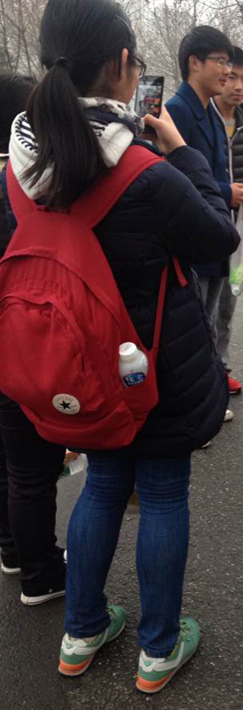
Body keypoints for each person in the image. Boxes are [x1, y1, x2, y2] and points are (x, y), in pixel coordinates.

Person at [3, 0, 239, 692]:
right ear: (124, 65)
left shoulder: (15, 169)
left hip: (72, 372)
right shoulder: (141, 169)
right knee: (162, 491)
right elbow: (217, 240)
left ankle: (80, 632)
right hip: (153, 368)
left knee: (102, 484)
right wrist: (182, 151)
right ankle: (158, 648)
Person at [0, 72, 68, 605]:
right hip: (19, 344)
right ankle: (40, 573)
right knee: (32, 467)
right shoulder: (27, 185)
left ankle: (11, 549)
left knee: (8, 459)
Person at [167, 26, 243, 422]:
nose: (227, 72)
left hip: (216, 234)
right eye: (220, 62)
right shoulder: (175, 112)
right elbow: (172, 176)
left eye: (230, 64)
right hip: (192, 238)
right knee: (191, 327)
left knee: (210, 323)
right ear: (194, 63)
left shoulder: (212, 112)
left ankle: (208, 396)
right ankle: (188, 409)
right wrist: (224, 190)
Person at [211, 46, 243, 395]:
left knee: (229, 299)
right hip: (208, 223)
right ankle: (206, 371)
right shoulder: (204, 116)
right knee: (203, 306)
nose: (238, 86)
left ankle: (221, 366)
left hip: (236, 226)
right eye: (233, 77)